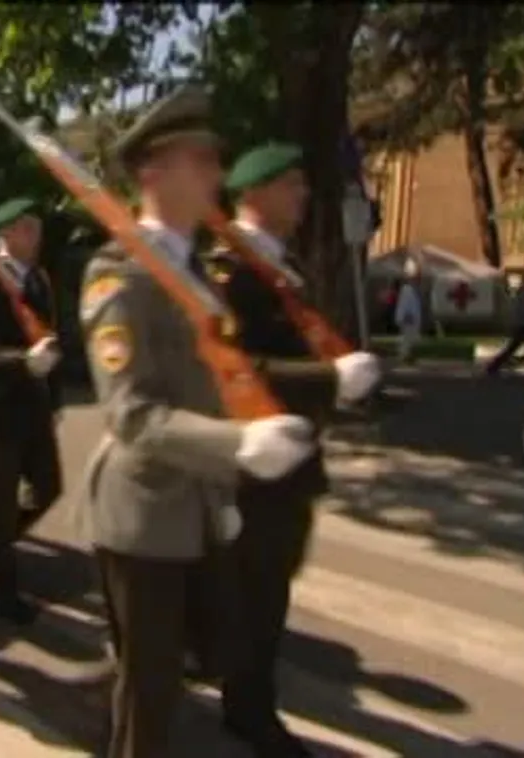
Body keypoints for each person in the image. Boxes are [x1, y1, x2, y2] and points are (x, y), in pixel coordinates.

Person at [75, 87, 320, 758]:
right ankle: (122, 701)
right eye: (201, 159)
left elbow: (218, 376)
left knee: (211, 652)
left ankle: (112, 687)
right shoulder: (115, 275)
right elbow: (130, 413)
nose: (216, 173)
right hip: (143, 511)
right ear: (153, 172)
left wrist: (260, 424)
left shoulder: (197, 274)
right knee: (153, 702)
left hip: (204, 504)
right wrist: (237, 443)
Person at [207, 142, 382, 756]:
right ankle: (248, 709)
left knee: (267, 581)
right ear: (253, 194)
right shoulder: (229, 269)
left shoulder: (283, 264)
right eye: (291, 186)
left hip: (295, 453)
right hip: (257, 459)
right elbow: (237, 367)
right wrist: (328, 380)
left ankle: (219, 669)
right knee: (258, 593)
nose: (303, 196)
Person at [0, 197, 63, 625]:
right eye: (25, 229)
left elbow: (52, 339)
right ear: (5, 234)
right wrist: (23, 361)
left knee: (49, 487)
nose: (34, 237)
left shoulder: (39, 278)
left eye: (36, 228)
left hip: (34, 406)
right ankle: (2, 591)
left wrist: (53, 396)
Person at [393, 258, 423, 363]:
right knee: (407, 339)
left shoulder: (415, 290)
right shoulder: (406, 290)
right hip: (408, 319)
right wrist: (403, 316)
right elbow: (403, 305)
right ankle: (404, 356)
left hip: (413, 319)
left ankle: (410, 356)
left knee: (412, 338)